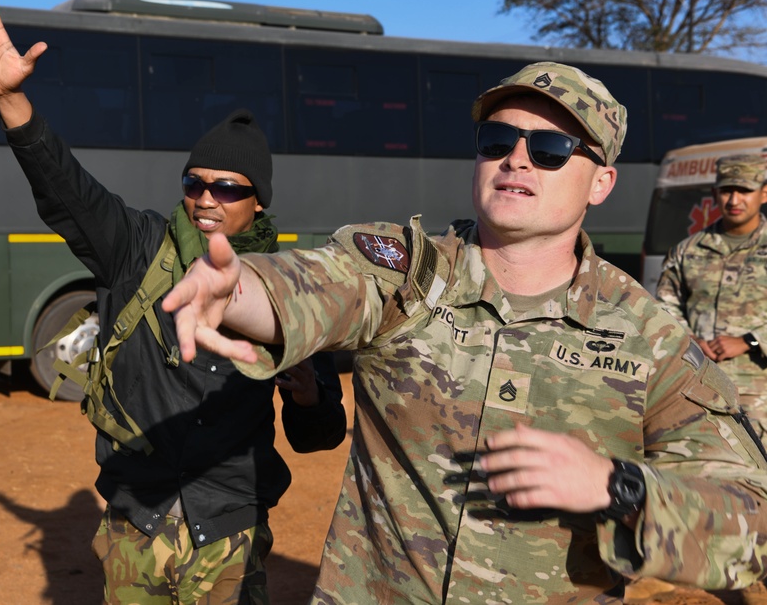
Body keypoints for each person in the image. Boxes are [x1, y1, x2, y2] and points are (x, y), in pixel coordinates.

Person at [162, 61, 767, 603]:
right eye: (497, 140)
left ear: (601, 182)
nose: (517, 159)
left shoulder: (651, 338)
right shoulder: (406, 271)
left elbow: (752, 522)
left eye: (552, 148)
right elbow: (317, 283)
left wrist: (619, 489)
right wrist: (237, 291)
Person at [0, 0, 347, 604]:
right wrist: (9, 100)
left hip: (231, 528)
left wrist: (311, 395)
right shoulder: (135, 247)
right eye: (195, 183)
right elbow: (63, 187)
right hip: (138, 521)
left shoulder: (287, 284)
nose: (206, 198)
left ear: (258, 200)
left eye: (227, 187)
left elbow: (320, 435)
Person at [656, 154, 767, 439]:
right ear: (715, 193)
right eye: (727, 190)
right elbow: (665, 306)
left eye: (744, 190)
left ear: (763, 193)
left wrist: (749, 341)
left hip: (759, 392)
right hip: (699, 383)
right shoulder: (687, 250)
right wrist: (690, 340)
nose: (734, 200)